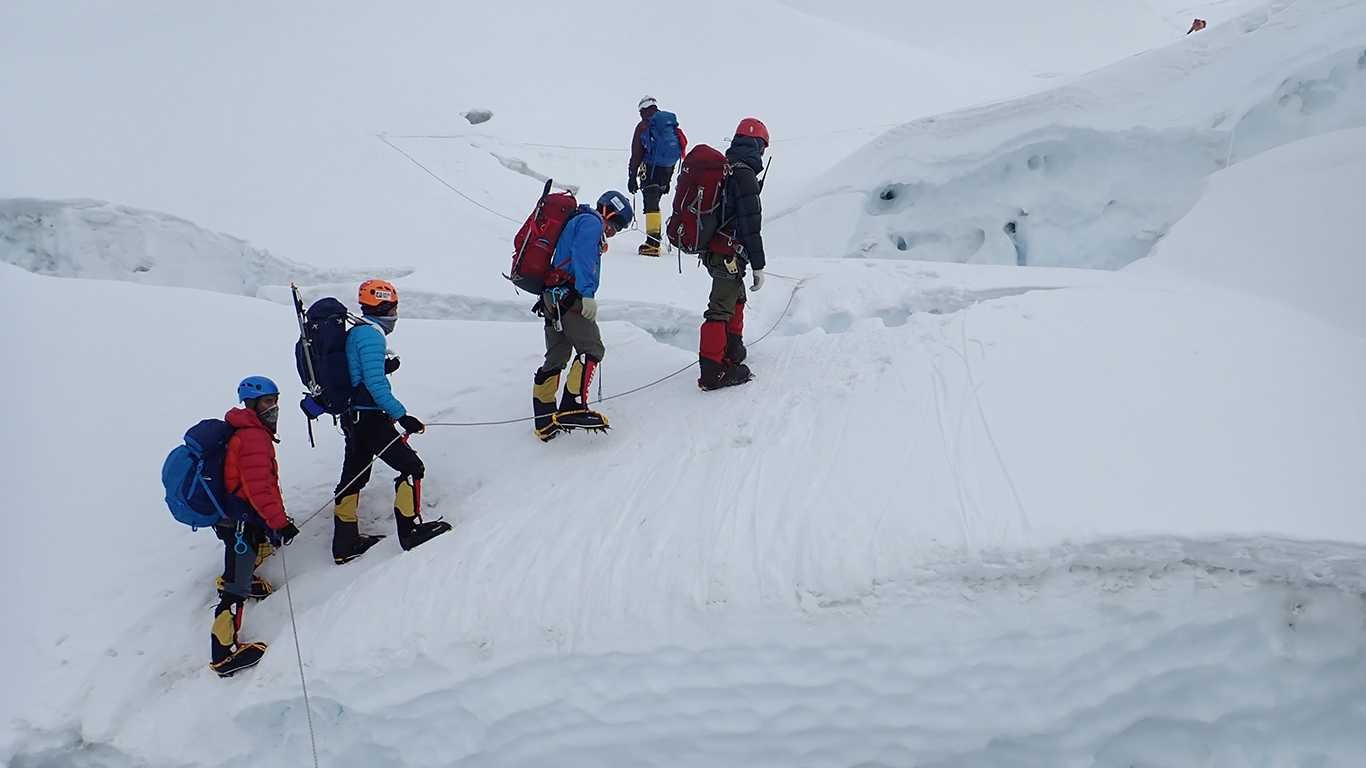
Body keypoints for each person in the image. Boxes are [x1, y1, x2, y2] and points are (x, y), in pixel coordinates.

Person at [332, 279, 450, 564]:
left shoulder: (356, 333)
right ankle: (411, 532)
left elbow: (358, 373)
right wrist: (402, 415)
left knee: (354, 476)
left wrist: (383, 366)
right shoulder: (372, 336)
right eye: (394, 308)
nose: (396, 314)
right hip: (371, 418)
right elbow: (374, 383)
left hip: (353, 417)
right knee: (411, 467)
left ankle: (344, 544)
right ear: (385, 307)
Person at [211, 375, 299, 677]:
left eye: (275, 401)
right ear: (250, 403)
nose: (272, 407)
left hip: (235, 515)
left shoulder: (248, 431)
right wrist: (281, 524)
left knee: (246, 557)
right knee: (235, 591)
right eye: (266, 402)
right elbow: (260, 488)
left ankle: (238, 578)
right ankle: (223, 655)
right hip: (240, 519)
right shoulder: (253, 438)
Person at [532, 191, 634, 441]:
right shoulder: (592, 222)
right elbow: (583, 256)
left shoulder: (579, 219)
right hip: (569, 296)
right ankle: (572, 406)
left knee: (556, 356)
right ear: (609, 212)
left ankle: (544, 421)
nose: (614, 231)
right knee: (593, 349)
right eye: (617, 224)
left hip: (552, 296)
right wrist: (587, 294)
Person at [698, 118, 769, 391]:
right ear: (758, 145)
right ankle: (712, 372)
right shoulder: (745, 175)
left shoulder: (728, 170)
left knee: (735, 296)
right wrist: (759, 265)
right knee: (720, 307)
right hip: (728, 252)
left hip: (718, 251)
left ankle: (732, 349)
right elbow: (751, 225)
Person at [628, 96, 687, 257]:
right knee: (655, 202)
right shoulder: (669, 124)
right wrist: (668, 179)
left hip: (651, 168)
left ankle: (653, 243)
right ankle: (655, 239)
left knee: (650, 202)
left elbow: (636, 154)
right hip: (667, 169)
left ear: (642, 110)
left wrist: (632, 176)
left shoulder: (644, 125)